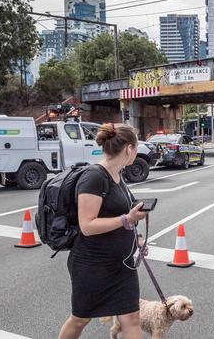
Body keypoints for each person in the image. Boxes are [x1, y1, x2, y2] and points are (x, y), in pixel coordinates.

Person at [58, 123, 148, 339]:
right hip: (92, 264)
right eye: (136, 148)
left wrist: (136, 237)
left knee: (132, 319)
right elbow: (87, 226)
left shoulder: (118, 175)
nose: (137, 152)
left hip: (121, 264)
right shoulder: (94, 176)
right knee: (80, 318)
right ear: (129, 148)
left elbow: (118, 215)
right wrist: (127, 219)